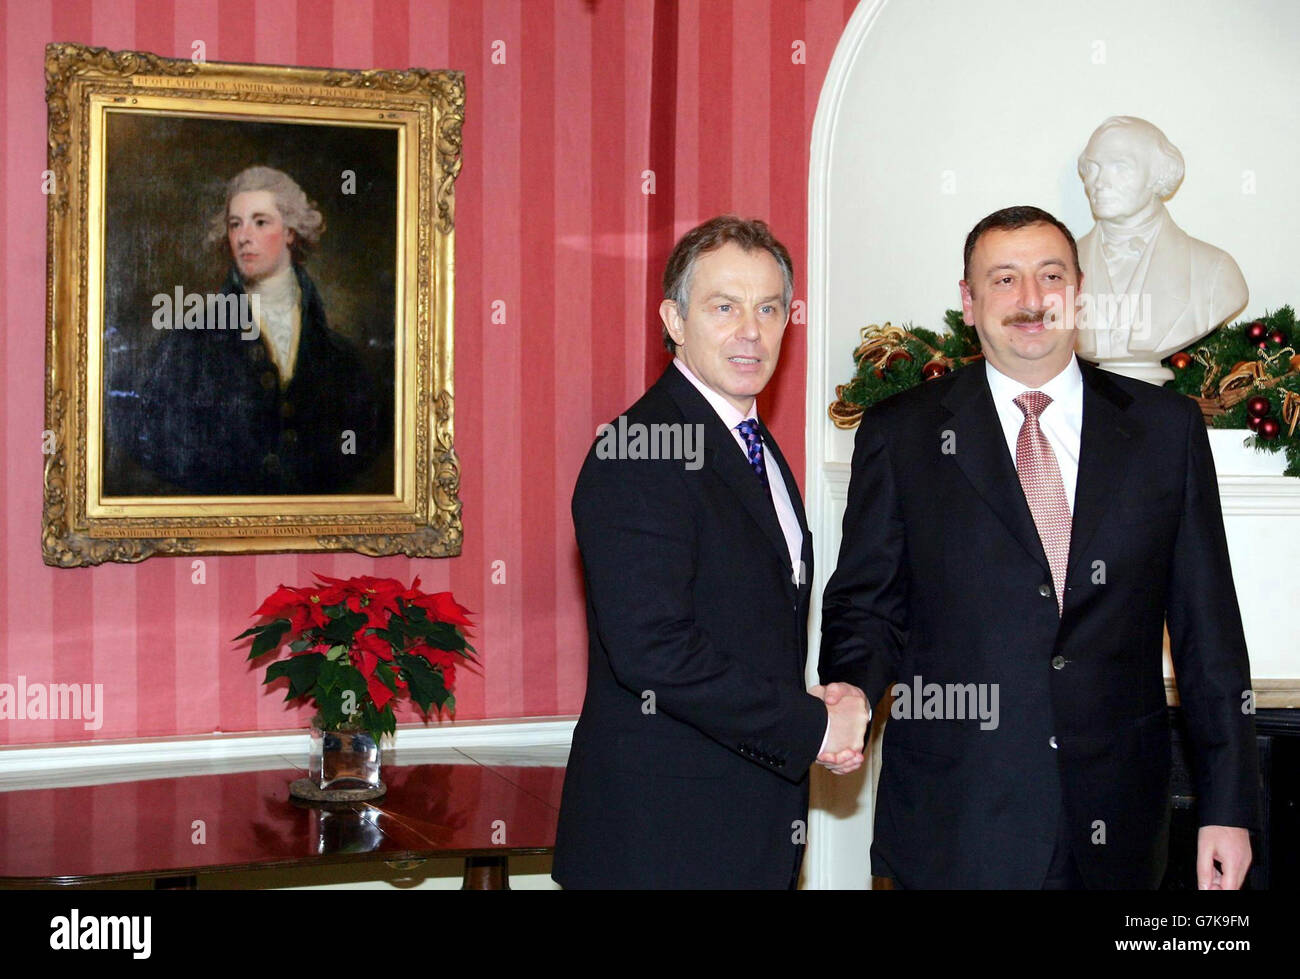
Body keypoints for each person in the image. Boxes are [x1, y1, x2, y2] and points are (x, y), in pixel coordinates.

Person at [819, 205, 1259, 889]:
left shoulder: (1164, 431)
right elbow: (866, 606)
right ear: (968, 302)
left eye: (1049, 275)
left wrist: (1228, 807)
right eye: (1003, 279)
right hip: (953, 821)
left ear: (1078, 292)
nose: (1029, 300)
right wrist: (850, 688)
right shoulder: (901, 436)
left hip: (1118, 825)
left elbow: (1210, 634)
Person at [553, 216, 869, 889]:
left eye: (769, 308)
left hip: (751, 830)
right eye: (723, 307)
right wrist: (810, 724)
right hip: (660, 842)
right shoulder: (636, 451)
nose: (750, 331)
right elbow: (653, 650)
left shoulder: (752, 443)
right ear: (674, 318)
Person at [110, 165, 390, 496]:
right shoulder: (189, 344)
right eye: (235, 224)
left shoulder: (340, 356)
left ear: (290, 231)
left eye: (260, 222)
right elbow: (155, 442)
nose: (244, 236)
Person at [1075, 116, 1248, 373]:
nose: (1099, 183)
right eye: (1093, 168)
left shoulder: (1215, 271)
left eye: (1120, 167)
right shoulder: (1059, 267)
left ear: (1158, 176)